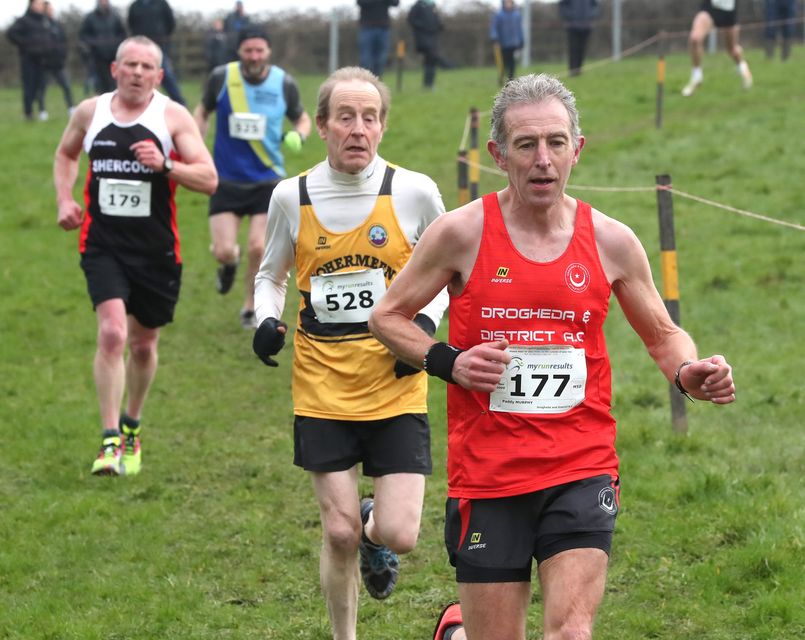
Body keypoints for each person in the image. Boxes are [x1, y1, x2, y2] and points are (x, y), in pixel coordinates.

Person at [368, 73, 736, 640]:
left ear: (577, 149)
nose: (543, 160)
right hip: (488, 475)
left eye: (556, 143)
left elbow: (664, 336)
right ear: (498, 154)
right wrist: (450, 362)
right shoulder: (460, 234)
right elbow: (387, 317)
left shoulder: (611, 240)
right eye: (526, 144)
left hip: (580, 465)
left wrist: (690, 373)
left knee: (570, 633)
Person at [252, 66, 448, 639]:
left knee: (401, 533)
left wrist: (423, 335)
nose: (357, 129)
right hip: (322, 384)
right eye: (345, 117)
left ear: (382, 127)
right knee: (334, 532)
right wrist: (267, 317)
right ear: (321, 126)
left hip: (395, 380)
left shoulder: (414, 192)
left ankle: (372, 526)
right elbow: (271, 275)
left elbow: (447, 274)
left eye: (369, 117)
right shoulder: (293, 196)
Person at [53, 36, 218, 477]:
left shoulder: (172, 116)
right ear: (115, 69)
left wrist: (166, 165)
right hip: (102, 244)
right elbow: (66, 154)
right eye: (130, 65)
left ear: (159, 76)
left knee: (143, 345)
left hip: (156, 251)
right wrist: (64, 199)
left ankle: (131, 425)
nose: (138, 72)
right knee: (111, 334)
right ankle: (109, 442)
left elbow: (209, 179)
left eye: (147, 67)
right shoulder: (90, 112)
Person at [193, 28, 312, 329]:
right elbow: (202, 111)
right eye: (249, 51)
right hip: (226, 179)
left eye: (260, 50)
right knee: (224, 250)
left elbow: (302, 117)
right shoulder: (222, 78)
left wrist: (299, 134)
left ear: (268, 51)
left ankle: (249, 307)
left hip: (267, 180)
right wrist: (195, 145)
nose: (255, 56)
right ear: (239, 52)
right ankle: (229, 264)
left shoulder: (283, 83)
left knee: (258, 248)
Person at [681, 1, 752, 97]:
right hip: (710, 7)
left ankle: (744, 70)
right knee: (695, 39)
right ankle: (696, 77)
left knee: (732, 49)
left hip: (728, 11)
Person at [127, 0, 186, 105]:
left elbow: (171, 23)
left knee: (166, 75)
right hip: (140, 48)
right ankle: (139, 103)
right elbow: (131, 24)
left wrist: (162, 36)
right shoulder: (135, 6)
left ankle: (180, 104)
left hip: (160, 46)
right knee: (138, 74)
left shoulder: (162, 3)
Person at [6, 0, 50, 121]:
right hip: (28, 59)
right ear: (32, 5)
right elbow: (11, 33)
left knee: (41, 86)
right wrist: (25, 44)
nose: (41, 6)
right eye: (38, 4)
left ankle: (42, 110)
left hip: (41, 59)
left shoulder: (44, 20)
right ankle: (28, 113)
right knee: (29, 86)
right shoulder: (24, 20)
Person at [79, 0, 128, 94]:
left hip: (114, 56)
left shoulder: (116, 16)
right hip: (98, 57)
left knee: (116, 83)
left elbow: (123, 34)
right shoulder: (90, 18)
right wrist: (95, 43)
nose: (104, 2)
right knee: (101, 86)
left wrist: (116, 43)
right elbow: (83, 36)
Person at [39, 1, 75, 116]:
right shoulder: (41, 25)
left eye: (52, 9)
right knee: (42, 88)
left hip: (59, 63)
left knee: (67, 86)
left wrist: (63, 55)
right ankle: (42, 111)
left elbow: (63, 41)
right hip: (45, 63)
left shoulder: (57, 24)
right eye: (49, 9)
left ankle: (71, 108)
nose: (51, 11)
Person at [408, 0, 452, 89]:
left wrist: (439, 25)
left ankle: (429, 84)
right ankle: (428, 83)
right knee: (431, 57)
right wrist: (423, 26)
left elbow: (436, 20)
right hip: (423, 37)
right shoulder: (417, 6)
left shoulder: (432, 6)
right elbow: (411, 19)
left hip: (433, 37)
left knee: (431, 59)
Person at [356, 0, 399, 78]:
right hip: (367, 28)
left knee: (381, 59)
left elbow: (395, 3)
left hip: (383, 28)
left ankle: (376, 81)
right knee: (365, 59)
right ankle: (364, 81)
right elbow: (360, 2)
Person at [558, 0, 599, 76]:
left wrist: (591, 15)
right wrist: (569, 16)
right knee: (573, 49)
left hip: (586, 25)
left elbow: (595, 5)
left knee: (582, 49)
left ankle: (579, 70)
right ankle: (572, 71)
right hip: (572, 26)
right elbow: (562, 5)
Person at [490, 0, 524, 82]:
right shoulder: (499, 15)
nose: (508, 4)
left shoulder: (517, 15)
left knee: (512, 62)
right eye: (506, 2)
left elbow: (519, 29)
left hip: (513, 43)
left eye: (509, 2)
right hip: (502, 43)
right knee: (503, 62)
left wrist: (521, 40)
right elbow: (494, 28)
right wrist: (495, 38)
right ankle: (502, 77)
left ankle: (511, 79)